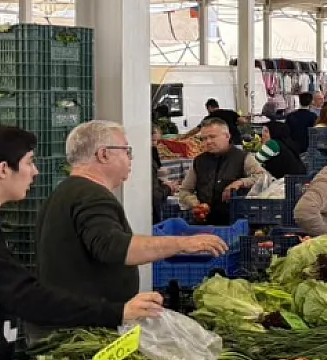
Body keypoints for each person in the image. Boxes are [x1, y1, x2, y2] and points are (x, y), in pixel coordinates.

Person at [28, 121, 226, 344]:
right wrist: (183, 244)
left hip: (72, 322)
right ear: (103, 154)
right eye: (126, 150)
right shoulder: (91, 196)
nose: (130, 158)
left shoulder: (68, 191)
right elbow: (114, 247)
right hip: (81, 331)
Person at [0, 126, 167, 360]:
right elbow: (25, 295)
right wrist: (116, 312)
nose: (35, 171)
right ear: (3, 169)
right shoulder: (89, 195)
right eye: (29, 162)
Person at [178, 117, 268, 225]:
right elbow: (185, 190)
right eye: (204, 138)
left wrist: (241, 182)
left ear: (227, 136)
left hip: (237, 222)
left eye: (212, 137)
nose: (208, 142)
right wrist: (196, 205)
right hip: (204, 224)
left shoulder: (243, 157)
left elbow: (264, 178)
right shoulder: (198, 161)